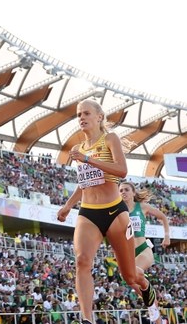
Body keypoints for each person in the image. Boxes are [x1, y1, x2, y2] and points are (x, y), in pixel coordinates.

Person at [57, 99, 157, 324]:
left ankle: (145, 284)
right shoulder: (77, 149)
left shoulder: (109, 139)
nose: (81, 118)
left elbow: (122, 170)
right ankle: (87, 319)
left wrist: (88, 159)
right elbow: (85, 183)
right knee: (82, 261)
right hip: (88, 213)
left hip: (115, 213)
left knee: (129, 276)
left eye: (86, 113)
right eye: (78, 114)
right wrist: (68, 206)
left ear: (99, 117)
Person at [120, 181, 171, 323]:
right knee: (130, 280)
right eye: (120, 190)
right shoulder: (118, 211)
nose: (123, 192)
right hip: (129, 253)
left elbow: (163, 217)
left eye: (126, 190)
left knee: (134, 273)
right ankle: (157, 316)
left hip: (143, 249)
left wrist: (166, 236)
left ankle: (149, 295)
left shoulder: (142, 207)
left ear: (133, 193)